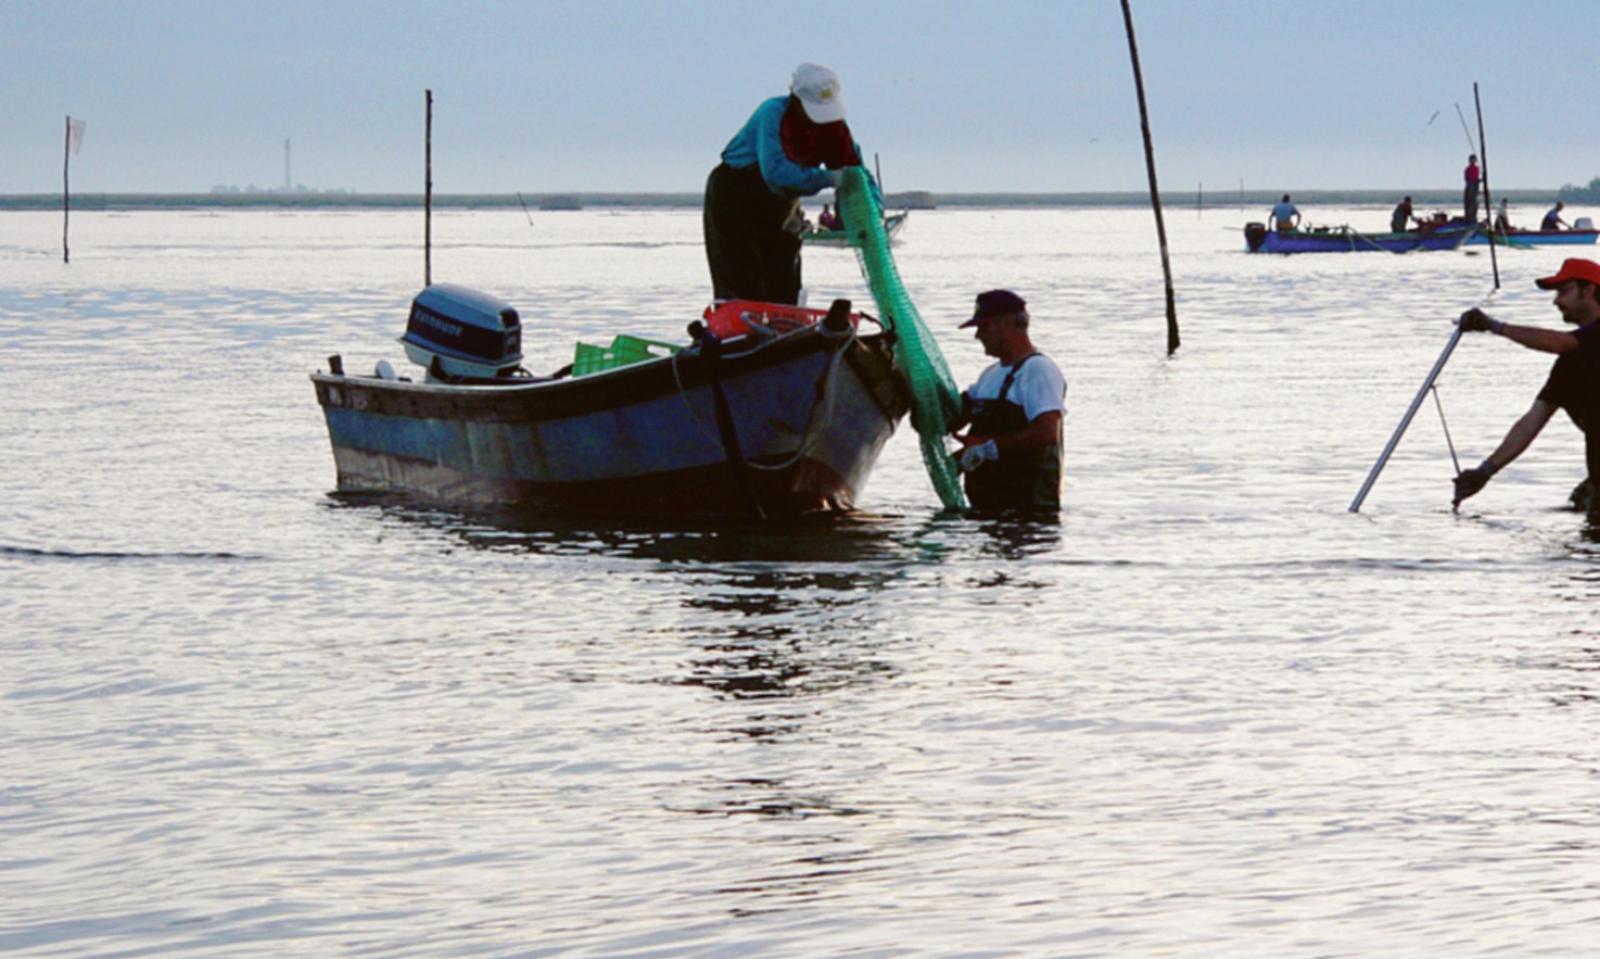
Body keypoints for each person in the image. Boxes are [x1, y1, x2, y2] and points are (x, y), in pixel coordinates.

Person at [703, 62, 874, 306]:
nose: (820, 120)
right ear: (795, 99)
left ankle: (785, 329)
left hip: (781, 201)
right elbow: (775, 172)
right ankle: (739, 331)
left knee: (784, 275)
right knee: (740, 273)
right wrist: (828, 178)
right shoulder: (772, 113)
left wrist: (868, 210)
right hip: (736, 193)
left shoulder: (835, 126)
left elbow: (856, 173)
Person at [1453, 257, 1600, 511]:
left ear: (1589, 290)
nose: (1556, 301)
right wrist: (1484, 472)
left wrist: (1494, 326)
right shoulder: (1569, 364)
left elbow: (1558, 342)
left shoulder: (1578, 342)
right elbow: (1531, 422)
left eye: (1564, 291)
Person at [948, 290, 1067, 511]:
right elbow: (956, 417)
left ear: (1008, 324)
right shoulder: (989, 376)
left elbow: (1047, 433)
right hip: (986, 510)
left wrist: (987, 448)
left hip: (1028, 513)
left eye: (983, 327)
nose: (978, 335)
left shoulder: (1038, 370)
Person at [1463, 154, 1481, 223]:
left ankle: (1473, 217)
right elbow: (1467, 178)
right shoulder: (1468, 169)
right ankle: (1469, 218)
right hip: (1471, 185)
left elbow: (1476, 177)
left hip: (1475, 186)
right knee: (1470, 202)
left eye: (1473, 160)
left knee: (1475, 203)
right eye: (1471, 159)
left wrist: (1478, 181)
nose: (1473, 161)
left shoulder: (1476, 168)